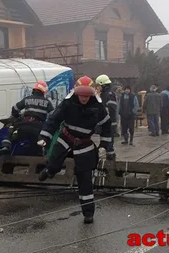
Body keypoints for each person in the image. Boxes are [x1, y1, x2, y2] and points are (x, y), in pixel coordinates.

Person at [37, 80, 112, 224]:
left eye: (86, 96)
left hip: (84, 144)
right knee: (54, 162)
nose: (83, 98)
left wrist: (104, 145)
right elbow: (53, 119)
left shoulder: (98, 107)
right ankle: (50, 171)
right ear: (76, 93)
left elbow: (107, 125)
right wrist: (44, 137)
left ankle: (88, 213)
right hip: (66, 138)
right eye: (81, 95)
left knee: (85, 179)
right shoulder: (67, 103)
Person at [0, 81, 54, 157]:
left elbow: (15, 108)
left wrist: (16, 115)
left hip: (24, 126)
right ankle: (40, 158)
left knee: (11, 131)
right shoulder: (47, 102)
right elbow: (53, 116)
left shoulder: (27, 99)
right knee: (40, 143)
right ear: (44, 91)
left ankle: (6, 146)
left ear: (34, 89)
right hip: (38, 129)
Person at [95, 74, 117, 160]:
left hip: (109, 124)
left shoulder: (109, 94)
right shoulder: (103, 94)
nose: (97, 88)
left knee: (109, 144)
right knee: (105, 142)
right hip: (105, 124)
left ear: (103, 85)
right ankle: (108, 163)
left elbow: (111, 109)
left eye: (98, 86)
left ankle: (111, 164)